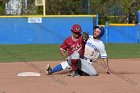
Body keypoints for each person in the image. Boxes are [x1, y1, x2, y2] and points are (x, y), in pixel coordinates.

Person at [46, 25, 111, 76]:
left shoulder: (100, 44)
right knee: (70, 60)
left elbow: (104, 56)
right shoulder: (88, 37)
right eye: (95, 30)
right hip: (79, 58)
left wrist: (107, 67)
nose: (95, 32)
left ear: (101, 34)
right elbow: (77, 36)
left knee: (94, 73)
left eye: (97, 32)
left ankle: (78, 71)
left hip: (88, 62)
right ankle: (51, 70)